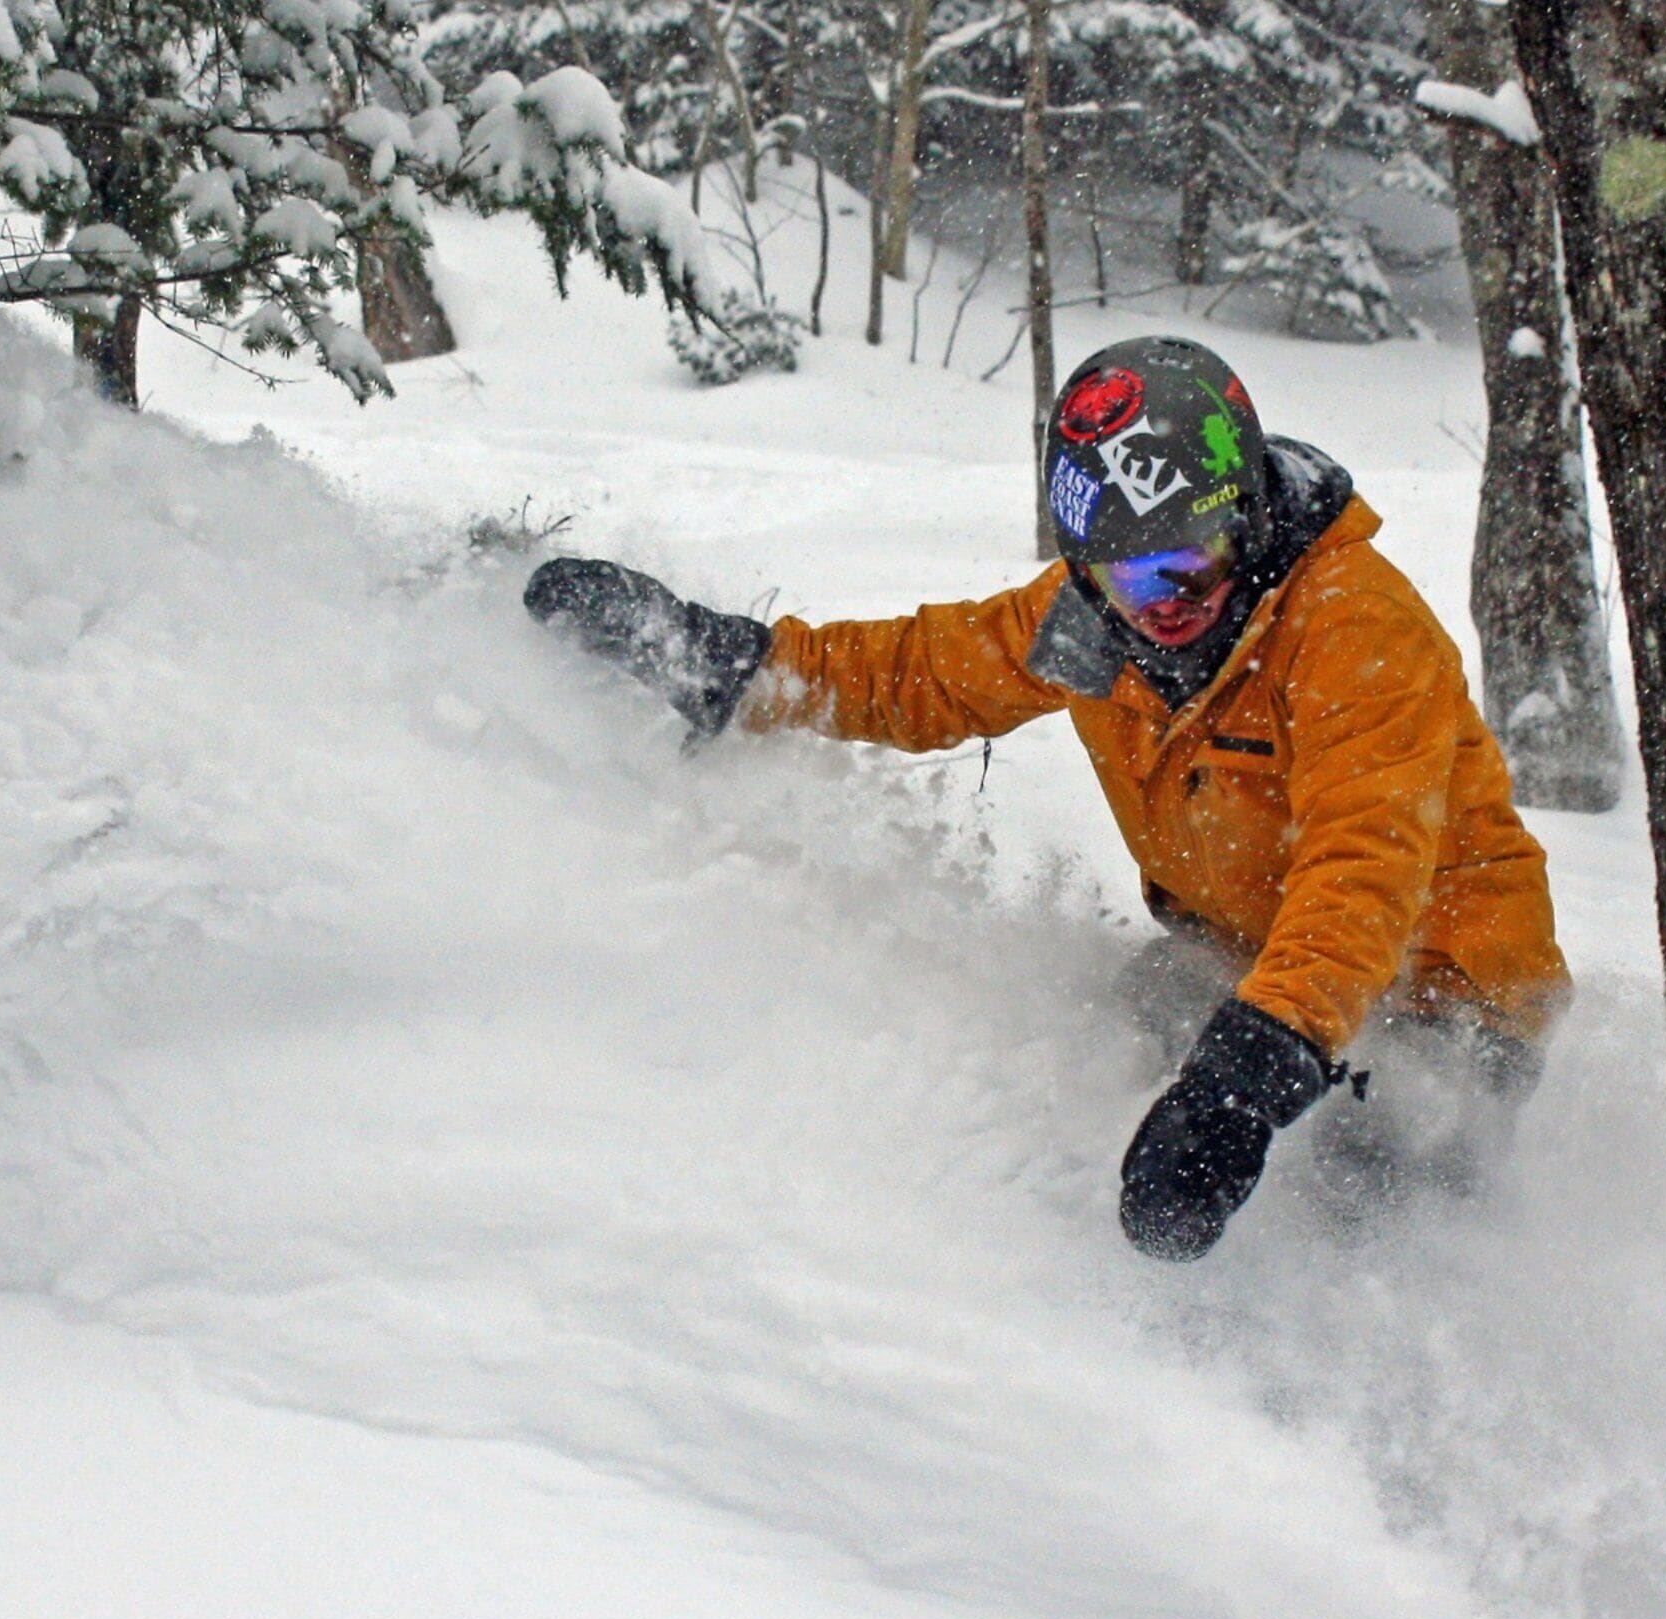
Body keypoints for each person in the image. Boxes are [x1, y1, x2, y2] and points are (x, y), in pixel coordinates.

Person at [523, 336, 1570, 1260]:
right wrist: (737, 666)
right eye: (1130, 578)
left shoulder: (1352, 628)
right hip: (1255, 960)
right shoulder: (1089, 627)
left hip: (1447, 991)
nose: (1167, 605)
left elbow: (1365, 865)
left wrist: (1243, 1081)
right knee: (1103, 1058)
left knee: (1366, 1185)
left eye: (1190, 563)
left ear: (1244, 514)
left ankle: (1393, 1378)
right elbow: (919, 673)